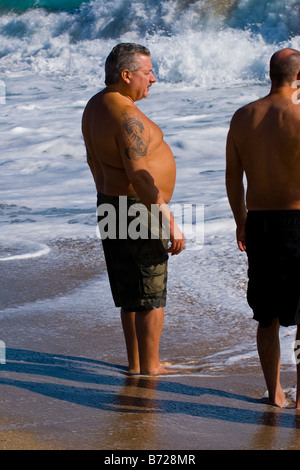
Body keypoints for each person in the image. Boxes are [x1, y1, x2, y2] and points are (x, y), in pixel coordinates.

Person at [82, 43, 185, 376]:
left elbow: (93, 160)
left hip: (110, 204)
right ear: (126, 75)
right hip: (138, 210)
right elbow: (140, 178)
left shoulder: (95, 105)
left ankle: (137, 362)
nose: (153, 79)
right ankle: (151, 367)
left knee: (130, 291)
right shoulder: (127, 116)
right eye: (148, 72)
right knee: (151, 293)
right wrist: (168, 221)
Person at [226, 48, 300, 408]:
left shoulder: (243, 117)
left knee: (266, 315)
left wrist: (241, 221)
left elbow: (232, 178)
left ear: (270, 75)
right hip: (298, 220)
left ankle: (275, 393)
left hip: (260, 223)